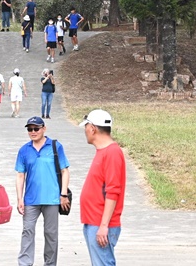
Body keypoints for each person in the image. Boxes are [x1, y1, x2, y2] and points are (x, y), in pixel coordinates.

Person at [15, 116, 70, 266]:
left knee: (51, 234)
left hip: (52, 198)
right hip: (30, 199)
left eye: (36, 128)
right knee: (27, 231)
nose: (33, 132)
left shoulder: (55, 146)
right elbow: (20, 175)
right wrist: (19, 198)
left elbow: (65, 171)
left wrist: (63, 194)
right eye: (30, 129)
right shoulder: (24, 150)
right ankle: (25, 263)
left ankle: (50, 263)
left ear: (43, 129)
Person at [80, 109, 125, 266]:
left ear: (92, 128)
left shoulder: (112, 152)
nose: (85, 131)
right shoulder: (103, 151)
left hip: (100, 223)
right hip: (94, 221)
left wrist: (104, 226)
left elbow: (113, 192)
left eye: (86, 127)